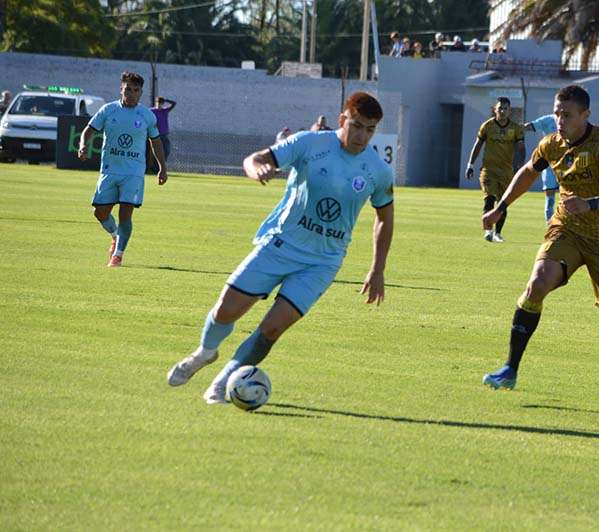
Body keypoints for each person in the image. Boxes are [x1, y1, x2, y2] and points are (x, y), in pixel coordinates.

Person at [166, 92, 395, 404]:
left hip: (322, 262)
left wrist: (378, 269)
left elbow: (384, 217)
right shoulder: (309, 144)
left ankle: (223, 383)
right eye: (356, 126)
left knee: (272, 329)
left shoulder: (378, 170)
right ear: (342, 120)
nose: (362, 136)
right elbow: (255, 159)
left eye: (370, 130)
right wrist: (257, 170)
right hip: (280, 245)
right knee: (225, 311)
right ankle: (204, 353)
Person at [481, 85, 599, 400]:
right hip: (567, 229)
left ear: (585, 115)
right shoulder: (551, 144)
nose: (559, 120)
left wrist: (591, 204)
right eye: (557, 113)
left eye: (567, 115)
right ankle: (510, 370)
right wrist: (500, 207)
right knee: (536, 285)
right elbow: (528, 172)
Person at [78, 71, 167, 267]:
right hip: (109, 171)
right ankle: (115, 235)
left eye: (135, 90)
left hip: (133, 173)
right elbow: (89, 130)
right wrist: (83, 145)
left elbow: (156, 141)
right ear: (121, 89)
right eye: (128, 90)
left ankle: (117, 255)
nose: (131, 94)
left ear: (141, 92)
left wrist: (162, 167)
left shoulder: (147, 115)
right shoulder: (108, 110)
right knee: (100, 213)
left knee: (125, 213)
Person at [465, 97, 530, 243]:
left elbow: (521, 149)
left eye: (505, 108)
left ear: (509, 111)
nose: (502, 111)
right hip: (488, 170)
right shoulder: (487, 126)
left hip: (506, 171)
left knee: (503, 203)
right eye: (500, 108)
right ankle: (488, 231)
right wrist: (470, 165)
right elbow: (478, 145)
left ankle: (498, 233)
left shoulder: (515, 129)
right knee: (489, 199)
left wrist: (519, 166)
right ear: (495, 109)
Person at [530, 114, 560, 223]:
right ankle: (550, 224)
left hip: (566, 165)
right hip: (549, 166)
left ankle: (567, 224)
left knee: (567, 195)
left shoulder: (571, 119)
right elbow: (531, 126)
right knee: (550, 199)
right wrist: (516, 126)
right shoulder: (547, 119)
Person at [150, 96, 176, 160]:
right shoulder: (151, 111)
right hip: (155, 134)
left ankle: (164, 161)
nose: (159, 104)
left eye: (161, 103)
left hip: (164, 134)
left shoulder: (165, 110)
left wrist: (166, 100)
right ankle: (154, 163)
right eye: (158, 103)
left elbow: (174, 103)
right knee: (154, 150)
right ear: (156, 103)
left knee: (166, 150)